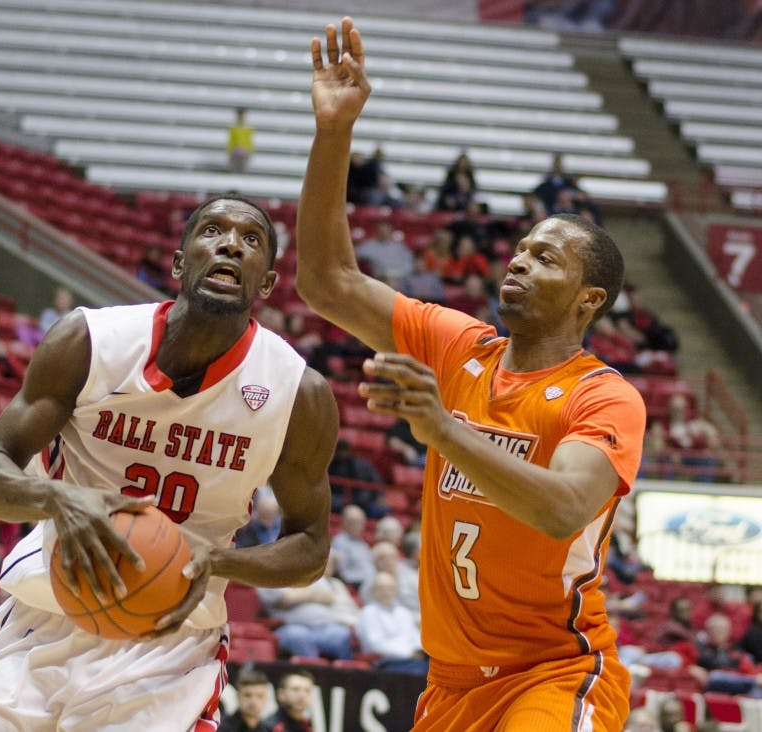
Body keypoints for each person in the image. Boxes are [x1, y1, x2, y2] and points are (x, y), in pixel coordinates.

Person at [296, 19, 646, 731]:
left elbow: (560, 509)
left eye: (546, 258)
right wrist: (335, 133)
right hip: (451, 683)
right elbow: (327, 282)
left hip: (553, 670)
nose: (519, 260)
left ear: (590, 301)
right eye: (520, 249)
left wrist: (442, 430)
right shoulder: (460, 347)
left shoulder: (604, 395)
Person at [0, 195, 338, 730]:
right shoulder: (90, 340)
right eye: (213, 231)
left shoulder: (297, 393)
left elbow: (311, 549)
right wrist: (59, 498)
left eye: (251, 240)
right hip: (47, 609)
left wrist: (216, 562)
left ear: (266, 284)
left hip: (172, 642)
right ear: (179, 264)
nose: (229, 244)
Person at [355, 571, 429, 676]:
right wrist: (408, 653)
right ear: (373, 591)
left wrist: (419, 651)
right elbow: (375, 644)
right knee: (422, 670)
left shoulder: (403, 612)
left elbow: (414, 637)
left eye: (390, 587)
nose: (386, 591)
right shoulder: (368, 613)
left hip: (412, 660)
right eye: (381, 588)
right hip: (385, 664)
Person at [220, 667, 274, 732]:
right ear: (237, 696)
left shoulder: (268, 729)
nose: (254, 701)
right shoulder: (221, 727)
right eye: (247, 695)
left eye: (260, 696)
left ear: (266, 698)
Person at [227, 107, 255, 174]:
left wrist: (251, 150)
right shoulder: (233, 128)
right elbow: (231, 140)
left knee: (243, 165)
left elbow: (249, 140)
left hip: (244, 150)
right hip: (235, 150)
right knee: (235, 165)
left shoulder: (248, 129)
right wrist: (229, 149)